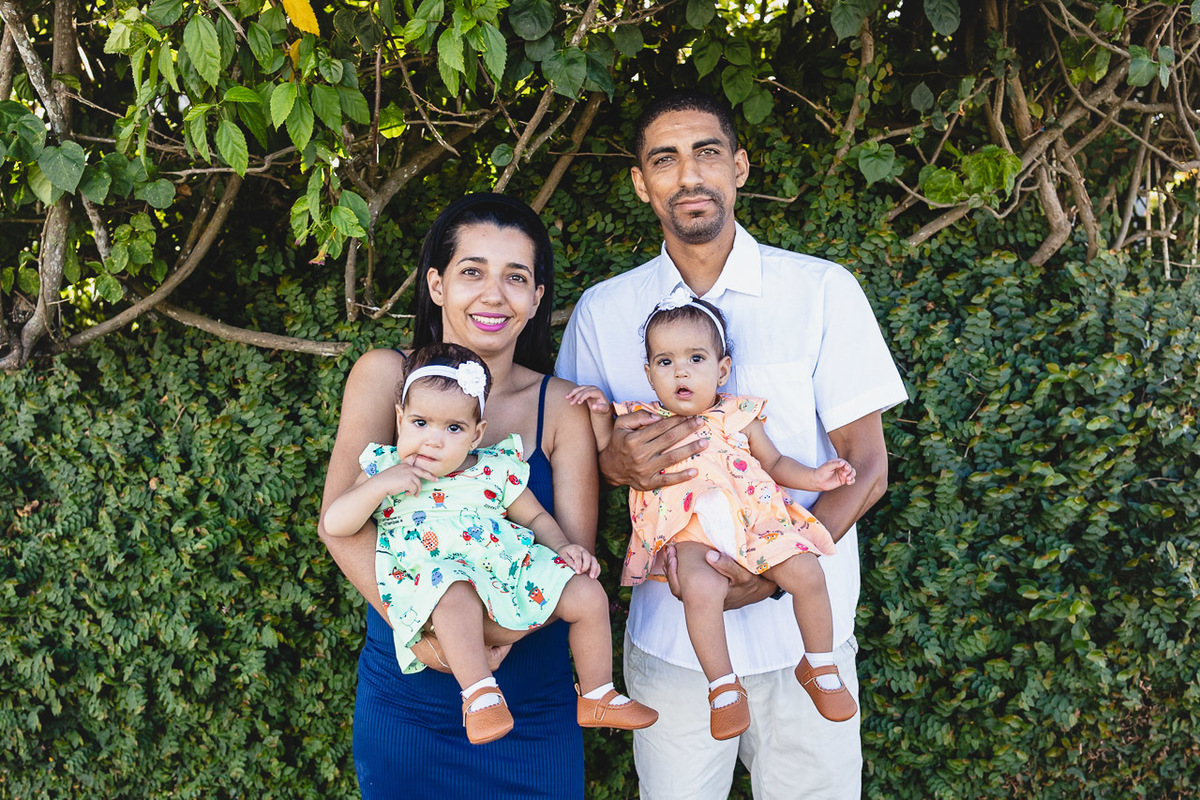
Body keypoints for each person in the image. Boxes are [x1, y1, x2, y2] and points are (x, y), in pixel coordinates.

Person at [556, 90, 908, 798]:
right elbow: (575, 466)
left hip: (807, 639)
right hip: (671, 643)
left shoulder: (819, 290)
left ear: (739, 167)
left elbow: (867, 468)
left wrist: (778, 571)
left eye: (706, 152)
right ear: (641, 183)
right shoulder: (605, 309)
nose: (689, 175)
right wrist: (612, 460)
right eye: (665, 159)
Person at [319, 194, 601, 798]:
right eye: (472, 271)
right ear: (437, 284)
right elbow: (338, 524)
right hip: (412, 699)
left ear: (537, 299)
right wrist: (428, 635)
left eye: (516, 277)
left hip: (532, 704)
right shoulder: (383, 375)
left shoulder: (562, 406)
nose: (493, 294)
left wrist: (488, 642)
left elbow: (572, 553)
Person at [324, 342, 656, 745]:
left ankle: (598, 693)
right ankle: (479, 695)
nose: (432, 440)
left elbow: (533, 516)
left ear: (476, 433)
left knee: (586, 592)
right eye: (420, 423)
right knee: (453, 594)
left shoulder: (495, 468)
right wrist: (377, 488)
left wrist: (564, 547)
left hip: (507, 573)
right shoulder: (384, 466)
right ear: (399, 419)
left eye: (453, 428)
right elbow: (335, 524)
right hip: (437, 582)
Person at [567, 290, 858, 738]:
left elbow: (777, 465)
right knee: (700, 592)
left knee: (806, 572)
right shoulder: (644, 419)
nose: (680, 370)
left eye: (696, 358)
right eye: (664, 362)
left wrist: (819, 478)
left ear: (721, 369)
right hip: (690, 535)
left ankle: (819, 665)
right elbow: (606, 450)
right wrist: (599, 409)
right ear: (648, 375)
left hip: (755, 524)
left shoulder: (739, 414)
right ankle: (723, 687)